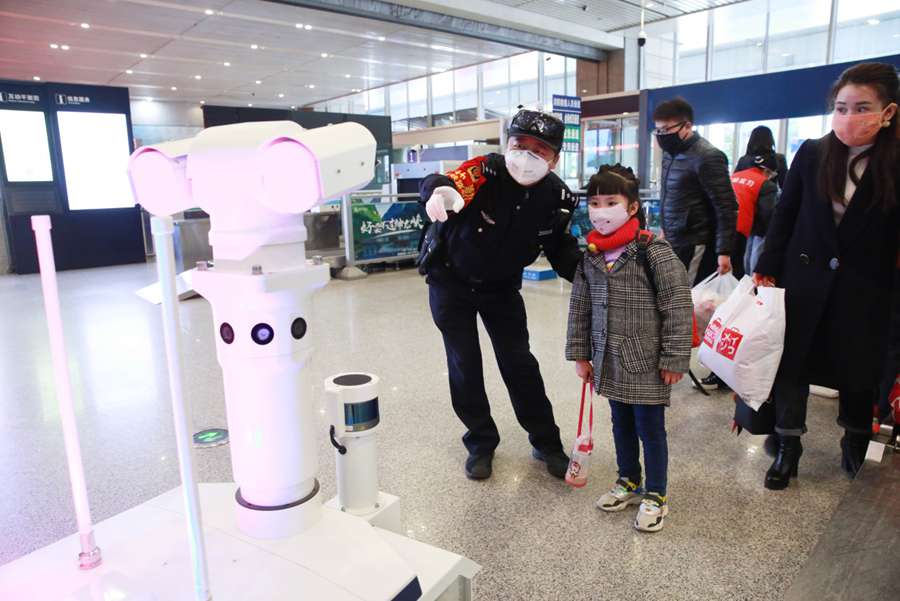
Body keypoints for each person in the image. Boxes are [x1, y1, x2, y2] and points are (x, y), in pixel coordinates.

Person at [754, 62, 899, 490]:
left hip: (866, 288)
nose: (848, 117)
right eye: (841, 106)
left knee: (859, 370)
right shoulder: (814, 152)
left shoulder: (894, 161)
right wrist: (765, 267)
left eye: (861, 107)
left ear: (888, 112)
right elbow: (786, 212)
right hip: (803, 282)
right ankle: (787, 446)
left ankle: (855, 439)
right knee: (792, 367)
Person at [419, 109, 582, 481]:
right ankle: (480, 442)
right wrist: (438, 191)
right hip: (451, 282)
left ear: (555, 157)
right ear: (507, 144)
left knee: (520, 363)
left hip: (501, 288)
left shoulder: (556, 197)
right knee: (465, 364)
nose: (527, 155)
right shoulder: (483, 171)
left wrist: (594, 280)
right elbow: (445, 182)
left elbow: (560, 248)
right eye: (519, 145)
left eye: (539, 150)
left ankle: (546, 442)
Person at [566, 165, 693, 532]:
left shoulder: (652, 251)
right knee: (619, 423)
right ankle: (628, 479)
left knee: (650, 429)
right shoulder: (590, 254)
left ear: (632, 207)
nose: (601, 210)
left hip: (646, 361)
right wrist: (580, 355)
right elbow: (580, 308)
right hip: (609, 358)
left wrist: (673, 358)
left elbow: (677, 305)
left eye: (611, 202)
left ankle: (657, 493)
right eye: (593, 202)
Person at [653, 97, 739, 391]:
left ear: (687, 126)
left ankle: (714, 367)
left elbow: (726, 206)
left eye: (666, 129)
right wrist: (664, 227)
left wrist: (724, 250)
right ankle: (671, 359)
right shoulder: (671, 154)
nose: (661, 135)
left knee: (688, 306)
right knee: (671, 302)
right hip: (674, 239)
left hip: (697, 242)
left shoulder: (708, 156)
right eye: (657, 130)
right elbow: (669, 195)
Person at [730, 152, 779, 276]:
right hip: (742, 227)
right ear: (768, 172)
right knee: (752, 257)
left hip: (724, 226)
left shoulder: (734, 176)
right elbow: (767, 213)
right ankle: (752, 286)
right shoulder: (765, 184)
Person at [735, 126, 789, 191]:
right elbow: (785, 186)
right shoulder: (779, 159)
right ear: (770, 140)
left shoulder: (743, 160)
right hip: (769, 196)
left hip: (747, 197)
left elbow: (735, 181)